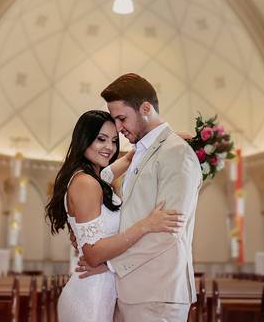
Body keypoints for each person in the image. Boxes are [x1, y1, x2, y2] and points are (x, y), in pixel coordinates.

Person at [79, 73, 202, 322]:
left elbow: (168, 231)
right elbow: (99, 182)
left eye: (122, 118)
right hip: (132, 292)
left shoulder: (176, 153)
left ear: (146, 108)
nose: (118, 128)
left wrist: (108, 264)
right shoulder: (141, 152)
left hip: (158, 293)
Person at [45, 109, 183, 322]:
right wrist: (146, 225)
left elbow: (129, 158)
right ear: (84, 139)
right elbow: (92, 254)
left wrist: (175, 140)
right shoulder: (86, 183)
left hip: (100, 290)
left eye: (114, 140)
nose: (109, 147)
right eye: (101, 139)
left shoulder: (97, 178)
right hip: (91, 298)